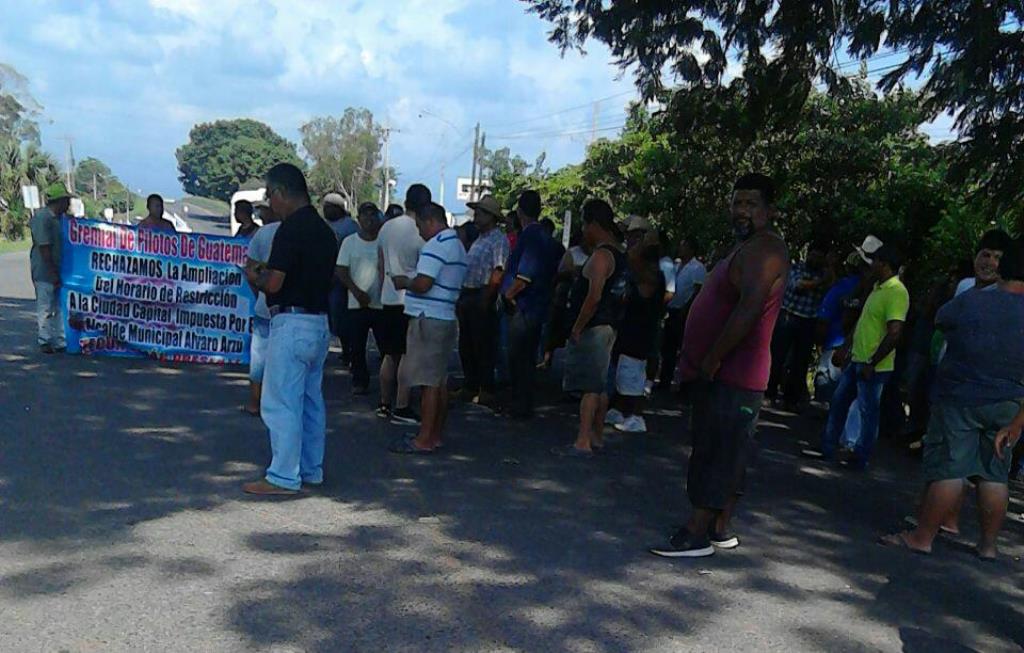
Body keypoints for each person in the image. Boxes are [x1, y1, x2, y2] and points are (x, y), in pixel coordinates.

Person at [650, 173, 788, 558]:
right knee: (724, 449)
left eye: (751, 204)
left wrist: (713, 357)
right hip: (725, 372)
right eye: (737, 202)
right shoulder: (747, 247)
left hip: (734, 373)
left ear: (769, 211)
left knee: (717, 451)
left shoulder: (767, 250)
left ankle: (696, 534)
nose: (742, 211)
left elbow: (749, 308)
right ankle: (719, 527)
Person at [881, 242, 1024, 559]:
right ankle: (988, 545)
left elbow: (942, 320)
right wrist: (1017, 423)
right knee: (994, 475)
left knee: (950, 469)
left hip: (960, 397)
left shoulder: (974, 300)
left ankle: (923, 536)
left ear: (1004, 267)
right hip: (1009, 404)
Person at [242, 163, 338, 495]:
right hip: (319, 323)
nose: (271, 203)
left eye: (271, 196)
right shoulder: (326, 231)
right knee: (311, 401)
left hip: (290, 322)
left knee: (281, 400)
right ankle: (311, 468)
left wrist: (255, 273)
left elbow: (275, 282)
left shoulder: (289, 229)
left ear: (282, 193)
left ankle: (282, 476)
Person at [819, 244, 910, 470]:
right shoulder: (876, 288)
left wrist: (873, 361)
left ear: (885, 265)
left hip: (874, 365)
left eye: (876, 261)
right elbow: (863, 323)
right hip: (857, 358)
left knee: (868, 412)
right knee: (839, 402)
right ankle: (828, 448)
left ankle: (861, 457)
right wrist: (845, 347)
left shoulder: (897, 292)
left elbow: (895, 332)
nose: (872, 266)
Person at [389, 202, 468, 453]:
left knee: (428, 383)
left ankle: (424, 439)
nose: (420, 232)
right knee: (438, 380)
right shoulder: (456, 244)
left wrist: (404, 282)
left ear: (430, 221)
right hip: (444, 316)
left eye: (420, 226)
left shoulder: (437, 246)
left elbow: (423, 283)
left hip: (428, 318)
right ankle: (434, 434)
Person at [554, 199, 628, 457]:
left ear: (594, 224)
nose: (583, 230)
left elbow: (593, 296)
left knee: (589, 387)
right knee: (600, 384)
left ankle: (583, 439)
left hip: (595, 327)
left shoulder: (601, 256)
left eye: (585, 224)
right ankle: (596, 435)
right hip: (609, 326)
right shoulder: (620, 253)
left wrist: (577, 326)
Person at [501, 190, 559, 419]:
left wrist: (508, 296)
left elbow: (524, 276)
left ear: (519, 211)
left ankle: (520, 405)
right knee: (524, 357)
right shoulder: (544, 236)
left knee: (519, 357)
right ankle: (521, 402)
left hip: (524, 306)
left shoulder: (531, 236)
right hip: (536, 304)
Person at [377, 184, 429, 423]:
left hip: (388, 297)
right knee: (408, 355)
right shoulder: (421, 231)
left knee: (390, 354)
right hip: (411, 299)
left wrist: (382, 290)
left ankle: (384, 403)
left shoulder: (387, 227)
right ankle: (402, 404)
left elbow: (380, 262)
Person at [606, 228, 666, 434]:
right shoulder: (647, 273)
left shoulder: (650, 274)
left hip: (639, 333)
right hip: (632, 330)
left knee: (632, 375)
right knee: (624, 372)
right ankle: (622, 409)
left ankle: (636, 415)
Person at [457, 195, 510, 410]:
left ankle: (486, 389)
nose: (476, 216)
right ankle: (471, 385)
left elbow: (498, 270)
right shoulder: (480, 239)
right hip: (469, 293)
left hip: (482, 294)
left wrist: (486, 298)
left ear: (491, 217)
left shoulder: (498, 240)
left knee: (484, 345)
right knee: (467, 345)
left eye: (480, 212)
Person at [766, 242, 830, 410]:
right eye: (813, 255)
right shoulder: (796, 269)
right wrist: (821, 281)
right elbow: (798, 286)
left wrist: (828, 273)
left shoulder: (825, 274)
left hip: (808, 320)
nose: (815, 259)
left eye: (819, 257)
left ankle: (791, 400)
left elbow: (831, 289)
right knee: (777, 356)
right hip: (789, 316)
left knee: (800, 363)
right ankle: (769, 393)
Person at [335, 202, 385, 396]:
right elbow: (341, 270)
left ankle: (387, 381)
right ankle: (359, 380)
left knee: (385, 345)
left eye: (373, 216)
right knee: (357, 346)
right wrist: (356, 291)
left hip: (381, 303)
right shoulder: (350, 242)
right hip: (356, 302)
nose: (370, 220)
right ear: (359, 219)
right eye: (365, 216)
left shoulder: (383, 241)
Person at [242, 201, 283, 415]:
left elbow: (249, 269)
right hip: (290, 311)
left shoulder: (263, 234)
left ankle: (256, 403)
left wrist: (260, 291)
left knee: (259, 358)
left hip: (265, 306)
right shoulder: (297, 231)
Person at [30, 183, 73, 354]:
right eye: (66, 201)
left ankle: (61, 340)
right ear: (59, 201)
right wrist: (53, 272)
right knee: (46, 306)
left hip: (61, 269)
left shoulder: (61, 220)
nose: (68, 205)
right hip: (44, 270)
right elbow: (44, 248)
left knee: (61, 306)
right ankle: (45, 339)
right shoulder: (42, 218)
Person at [658, 236, 706, 388]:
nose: (680, 249)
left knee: (685, 348)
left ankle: (685, 383)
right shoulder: (676, 264)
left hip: (684, 312)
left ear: (691, 249)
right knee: (668, 347)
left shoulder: (698, 268)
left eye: (684, 246)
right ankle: (665, 380)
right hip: (671, 310)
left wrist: (687, 310)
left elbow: (697, 292)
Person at [323, 193, 358, 363]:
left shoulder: (350, 226)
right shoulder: (322, 225)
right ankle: (345, 349)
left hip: (345, 278)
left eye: (329, 206)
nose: (326, 210)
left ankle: (350, 350)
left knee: (343, 316)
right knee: (332, 318)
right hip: (326, 278)